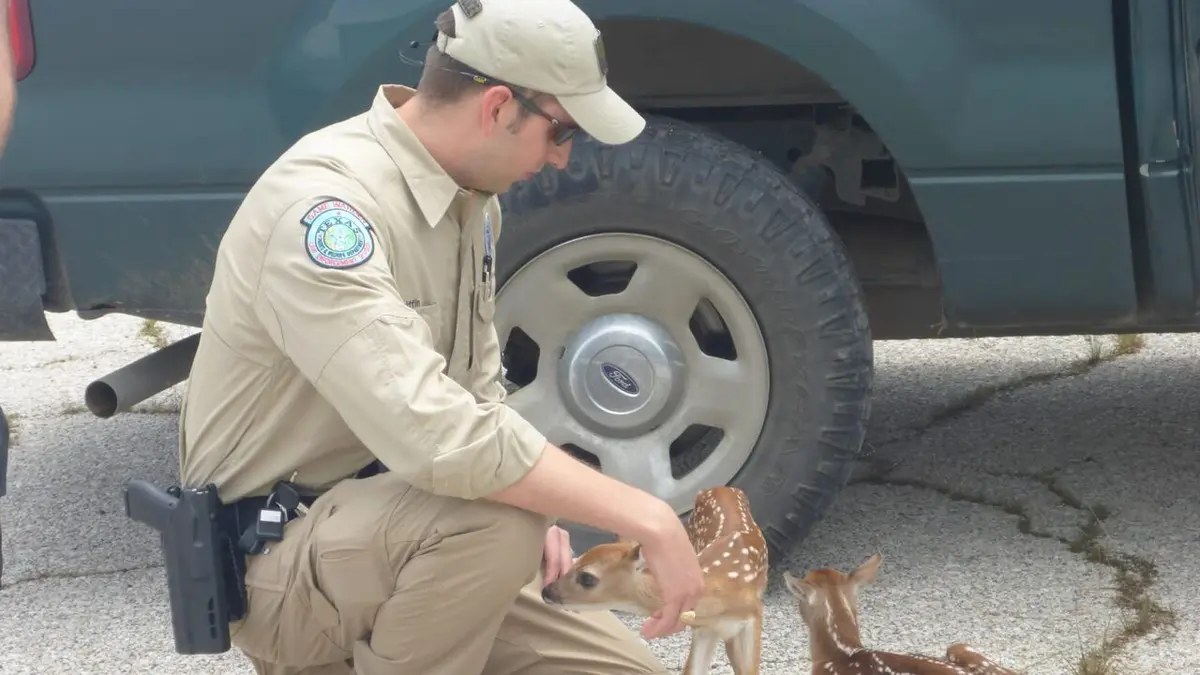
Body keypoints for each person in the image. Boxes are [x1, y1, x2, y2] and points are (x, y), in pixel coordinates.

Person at [177, 0, 705, 673]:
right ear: (495, 108)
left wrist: (542, 507)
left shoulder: (468, 201)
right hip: (282, 566)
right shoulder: (324, 214)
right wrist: (646, 514)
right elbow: (439, 436)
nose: (563, 159)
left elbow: (477, 391)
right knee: (498, 521)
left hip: (407, 538)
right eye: (561, 131)